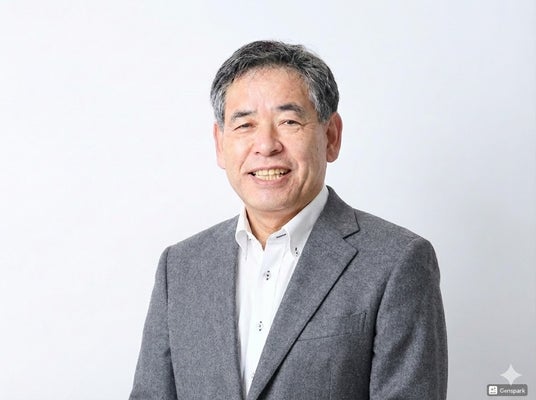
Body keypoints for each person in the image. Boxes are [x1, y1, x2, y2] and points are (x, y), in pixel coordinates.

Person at [129, 40, 448, 400]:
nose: (266, 145)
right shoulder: (181, 267)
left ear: (331, 136)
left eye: (289, 121)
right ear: (220, 143)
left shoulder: (397, 262)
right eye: (245, 124)